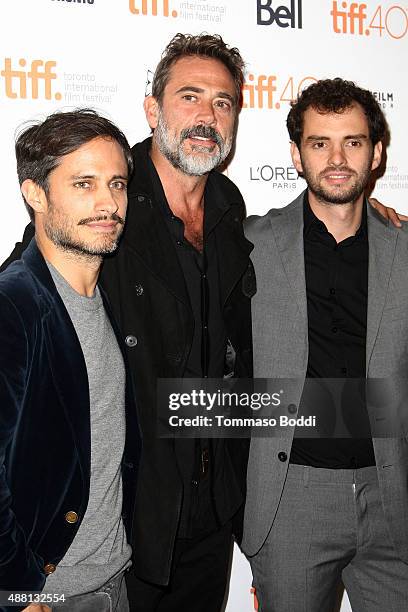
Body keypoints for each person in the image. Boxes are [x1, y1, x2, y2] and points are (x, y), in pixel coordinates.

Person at [2, 38, 401, 612]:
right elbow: (35, 277)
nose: (207, 116)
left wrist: (378, 222)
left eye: (223, 102)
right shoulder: (107, 209)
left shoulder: (231, 207)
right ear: (152, 109)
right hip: (130, 520)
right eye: (190, 97)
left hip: (212, 512)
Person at [243, 78, 408, 611]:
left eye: (353, 142)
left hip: (393, 498)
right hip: (292, 497)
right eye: (320, 143)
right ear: (296, 154)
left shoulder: (404, 250)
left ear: (377, 153)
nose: (337, 158)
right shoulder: (248, 244)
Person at [0, 109, 141, 612]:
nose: (109, 203)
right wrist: (18, 588)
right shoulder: (14, 304)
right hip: (49, 594)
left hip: (113, 580)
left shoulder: (112, 295)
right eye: (84, 184)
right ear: (35, 193)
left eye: (117, 183)